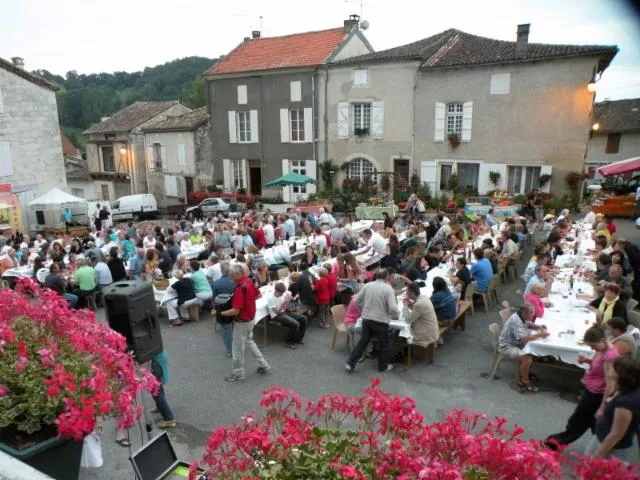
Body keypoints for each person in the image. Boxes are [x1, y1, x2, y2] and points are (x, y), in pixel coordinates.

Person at [546, 326, 619, 449]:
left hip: (595, 395)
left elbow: (610, 384)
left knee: (577, 422)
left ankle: (554, 443)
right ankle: (605, 447)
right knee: (592, 422)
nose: (592, 348)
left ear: (602, 340)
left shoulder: (609, 356)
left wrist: (602, 407)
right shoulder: (602, 348)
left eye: (593, 346)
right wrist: (587, 361)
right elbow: (598, 366)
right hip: (591, 389)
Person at [221, 264, 270, 382]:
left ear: (238, 274)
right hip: (251, 318)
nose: (230, 277)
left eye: (231, 275)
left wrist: (220, 313)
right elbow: (258, 295)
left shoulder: (239, 289)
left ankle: (238, 373)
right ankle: (263, 364)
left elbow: (235, 311)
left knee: (237, 348)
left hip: (242, 322)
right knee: (250, 341)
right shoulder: (249, 282)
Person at [585, 356, 640, 460]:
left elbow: (616, 434)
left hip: (612, 448)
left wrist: (597, 455)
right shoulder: (625, 388)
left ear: (621, 375)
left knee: (593, 473)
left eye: (613, 367)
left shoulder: (626, 402)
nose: (609, 367)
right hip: (601, 437)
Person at [345, 269, 400, 373]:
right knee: (384, 343)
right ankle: (382, 366)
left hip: (367, 318)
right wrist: (395, 316)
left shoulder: (367, 285)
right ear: (386, 277)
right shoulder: (388, 289)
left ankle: (350, 363)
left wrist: (363, 310)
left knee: (362, 342)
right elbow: (393, 307)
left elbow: (356, 301)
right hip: (381, 320)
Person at [498, 304, 549, 392]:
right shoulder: (516, 321)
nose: (533, 314)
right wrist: (540, 334)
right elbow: (524, 338)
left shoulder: (520, 315)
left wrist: (538, 326)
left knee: (533, 352)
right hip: (506, 346)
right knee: (527, 358)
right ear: (524, 313)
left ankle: (526, 372)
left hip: (516, 343)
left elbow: (528, 323)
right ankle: (524, 380)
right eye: (531, 313)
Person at [267, 282, 307, 348]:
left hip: (284, 312)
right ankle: (289, 341)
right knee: (295, 324)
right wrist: (283, 302)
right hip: (277, 316)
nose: (282, 294)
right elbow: (277, 312)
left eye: (283, 293)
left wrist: (288, 301)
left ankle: (298, 338)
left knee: (303, 319)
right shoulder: (271, 299)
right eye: (281, 293)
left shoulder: (282, 295)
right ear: (276, 291)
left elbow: (285, 307)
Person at [402, 282, 439, 347]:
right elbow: (418, 310)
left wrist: (405, 306)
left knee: (401, 333)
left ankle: (407, 353)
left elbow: (408, 320)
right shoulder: (424, 297)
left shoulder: (418, 304)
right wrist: (410, 304)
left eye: (407, 292)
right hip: (432, 330)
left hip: (426, 334)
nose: (406, 294)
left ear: (412, 293)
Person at [212, 262, 236, 357]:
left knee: (226, 331)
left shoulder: (216, 283)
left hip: (223, 310)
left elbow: (213, 299)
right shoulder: (234, 282)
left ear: (221, 271)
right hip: (235, 308)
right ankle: (236, 347)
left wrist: (214, 311)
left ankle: (229, 350)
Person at [150, 351, 176, 429]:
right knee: (158, 388)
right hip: (157, 358)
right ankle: (160, 407)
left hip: (155, 361)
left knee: (156, 392)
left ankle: (169, 419)